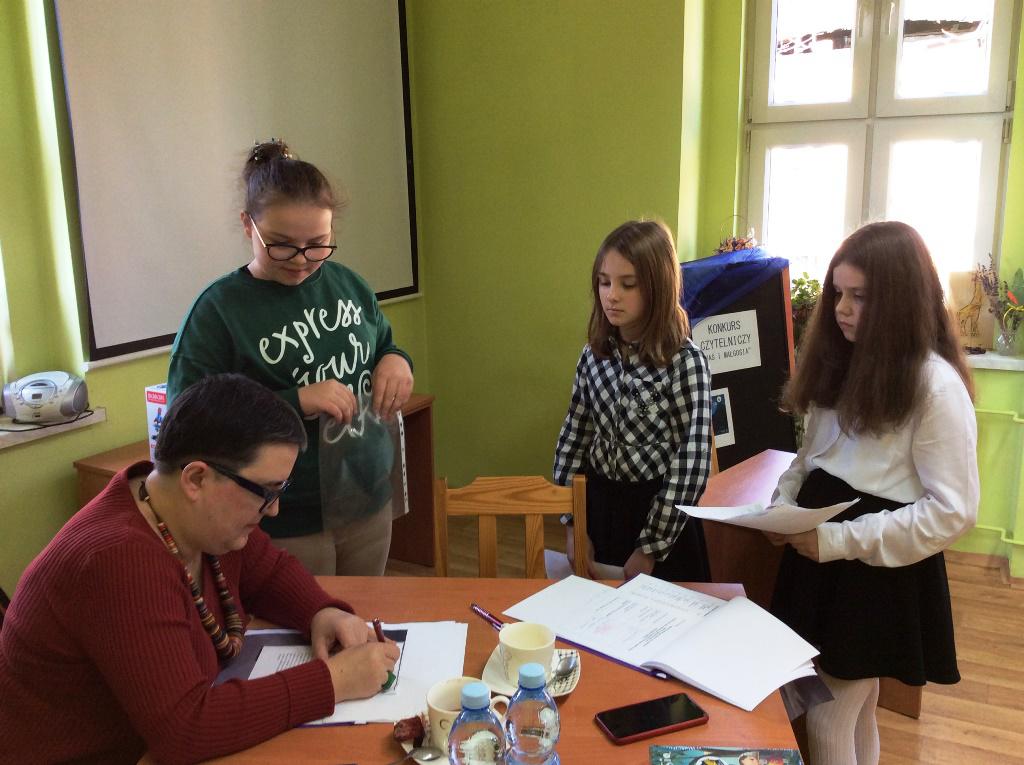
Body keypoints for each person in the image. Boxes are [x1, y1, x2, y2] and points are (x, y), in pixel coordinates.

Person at [0, 374, 400, 764]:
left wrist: (320, 612)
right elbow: (185, 728)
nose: (274, 509)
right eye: (266, 491)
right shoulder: (117, 560)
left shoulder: (186, 514)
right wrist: (333, 680)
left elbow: (267, 572)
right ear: (196, 478)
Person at [766, 221, 979, 765]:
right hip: (819, 563)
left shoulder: (935, 385)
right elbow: (811, 457)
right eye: (838, 293)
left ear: (902, 300)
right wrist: (782, 505)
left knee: (828, 714)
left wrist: (837, 540)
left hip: (870, 575)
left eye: (860, 297)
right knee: (856, 709)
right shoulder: (840, 361)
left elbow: (953, 512)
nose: (841, 309)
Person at [168, 139, 414, 576]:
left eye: (318, 243)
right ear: (248, 226)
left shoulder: (349, 285)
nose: (302, 261)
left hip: (366, 498)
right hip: (281, 516)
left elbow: (382, 346)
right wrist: (293, 401)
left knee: (366, 611)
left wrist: (396, 360)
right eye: (281, 245)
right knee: (306, 616)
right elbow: (185, 424)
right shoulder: (218, 311)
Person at [553, 219, 713, 581]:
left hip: (660, 518)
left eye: (628, 284)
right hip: (599, 512)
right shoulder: (594, 355)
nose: (612, 295)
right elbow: (573, 439)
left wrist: (651, 547)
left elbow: (691, 463)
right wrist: (573, 523)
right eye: (604, 282)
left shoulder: (684, 362)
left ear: (657, 287)